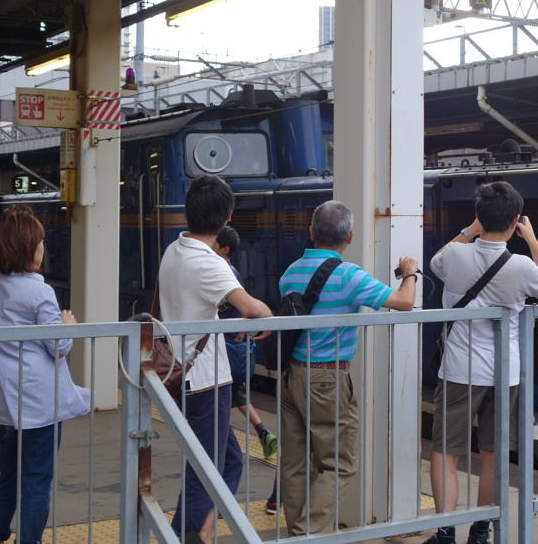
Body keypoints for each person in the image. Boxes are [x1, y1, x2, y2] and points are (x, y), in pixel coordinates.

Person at [423, 181, 538, 544]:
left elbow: (436, 261)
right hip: (504, 373)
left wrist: (471, 229)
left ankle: (445, 532)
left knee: (446, 453)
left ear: (479, 217)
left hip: (458, 372)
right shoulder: (522, 266)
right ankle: (481, 531)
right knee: (492, 455)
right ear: (516, 220)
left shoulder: (453, 255)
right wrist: (530, 239)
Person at [277, 200, 418, 535]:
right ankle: (309, 536)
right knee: (339, 462)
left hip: (291, 375)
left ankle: (300, 532)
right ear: (350, 237)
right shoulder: (348, 276)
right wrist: (409, 273)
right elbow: (404, 302)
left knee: (295, 463)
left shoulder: (290, 272)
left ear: (311, 233)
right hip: (326, 378)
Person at [159, 175, 272, 544]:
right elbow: (254, 309)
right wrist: (265, 316)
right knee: (204, 469)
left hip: (185, 373)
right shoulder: (210, 264)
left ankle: (202, 534)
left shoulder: (176, 249)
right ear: (228, 216)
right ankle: (185, 536)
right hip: (205, 380)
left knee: (230, 460)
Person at [0, 206, 90, 544]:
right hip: (40, 401)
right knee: (38, 478)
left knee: (9, 474)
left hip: (7, 403)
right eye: (40, 241)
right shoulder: (40, 292)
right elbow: (60, 347)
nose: (43, 246)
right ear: (28, 248)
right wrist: (68, 325)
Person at [212, 226, 280, 515]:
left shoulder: (225, 272)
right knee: (237, 394)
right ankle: (263, 430)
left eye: (216, 243)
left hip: (226, 345)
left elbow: (246, 306)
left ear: (225, 249)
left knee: (223, 397)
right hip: (231, 345)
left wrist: (240, 330)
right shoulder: (228, 269)